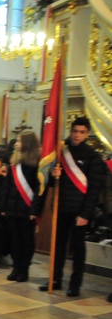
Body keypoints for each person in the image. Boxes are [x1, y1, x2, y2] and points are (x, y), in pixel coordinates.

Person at [40, 117, 106, 296]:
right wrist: (54, 176)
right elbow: (53, 185)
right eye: (75, 131)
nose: (77, 135)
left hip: (80, 211)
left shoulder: (94, 157)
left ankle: (75, 284)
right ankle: (55, 279)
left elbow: (94, 190)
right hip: (61, 208)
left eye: (82, 132)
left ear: (87, 134)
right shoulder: (62, 152)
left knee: (77, 249)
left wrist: (85, 214)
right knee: (58, 246)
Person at [1, 131, 43, 283]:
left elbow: (40, 190)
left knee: (26, 240)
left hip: (27, 208)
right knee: (15, 240)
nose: (16, 143)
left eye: (19, 141)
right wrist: (3, 206)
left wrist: (35, 210)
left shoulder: (36, 164)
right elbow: (7, 186)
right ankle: (16, 267)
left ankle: (24, 269)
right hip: (13, 208)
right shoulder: (15, 163)